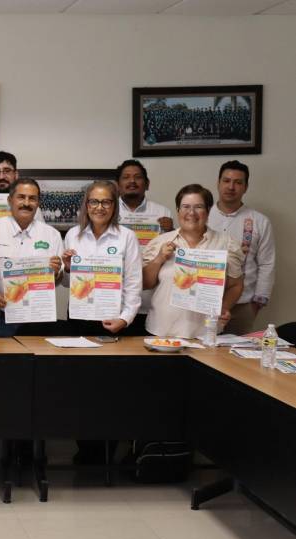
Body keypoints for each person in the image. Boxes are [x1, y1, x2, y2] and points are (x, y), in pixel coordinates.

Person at [61, 181, 142, 464]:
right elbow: (66, 283)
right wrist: (67, 268)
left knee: (110, 389)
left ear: (114, 206)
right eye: (94, 202)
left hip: (112, 322)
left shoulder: (126, 237)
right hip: (79, 320)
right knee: (80, 388)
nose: (99, 207)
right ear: (86, 205)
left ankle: (107, 450)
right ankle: (85, 448)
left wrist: (125, 318)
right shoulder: (73, 235)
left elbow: (134, 283)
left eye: (106, 202)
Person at [143, 184, 244, 339]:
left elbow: (236, 285)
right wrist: (159, 258)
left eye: (198, 207)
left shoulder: (226, 243)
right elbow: (146, 284)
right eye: (185, 207)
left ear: (208, 211)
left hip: (206, 333)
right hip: (161, 331)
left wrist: (224, 308)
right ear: (178, 210)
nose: (191, 213)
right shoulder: (160, 242)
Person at [0, 178, 64, 338]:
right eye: (21, 197)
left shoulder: (52, 235)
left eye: (32, 198)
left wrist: (56, 272)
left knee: (37, 355)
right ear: (10, 200)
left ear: (38, 203)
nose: (26, 203)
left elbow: (58, 279)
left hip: (38, 317)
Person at [207, 160, 275, 334]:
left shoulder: (259, 221)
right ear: (218, 183)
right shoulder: (202, 215)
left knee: (239, 349)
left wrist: (257, 303)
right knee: (203, 348)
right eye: (226, 181)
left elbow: (267, 263)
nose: (231, 187)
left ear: (246, 187)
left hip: (243, 306)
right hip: (204, 302)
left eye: (238, 182)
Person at [115, 159, 174, 335]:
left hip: (150, 299)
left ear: (147, 184)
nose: (132, 181)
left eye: (137, 177)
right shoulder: (108, 211)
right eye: (126, 177)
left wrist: (170, 231)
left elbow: (171, 253)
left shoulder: (163, 213)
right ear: (118, 185)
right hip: (115, 297)